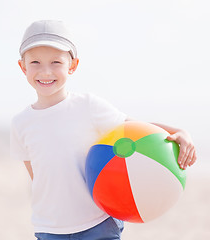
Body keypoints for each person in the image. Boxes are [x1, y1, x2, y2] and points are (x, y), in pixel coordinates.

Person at [10, 20, 197, 240]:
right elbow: (38, 177)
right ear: (23, 67)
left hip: (98, 224)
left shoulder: (87, 106)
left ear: (73, 65)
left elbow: (136, 129)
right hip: (50, 229)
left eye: (55, 62)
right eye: (35, 62)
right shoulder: (21, 123)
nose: (45, 71)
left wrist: (179, 131)